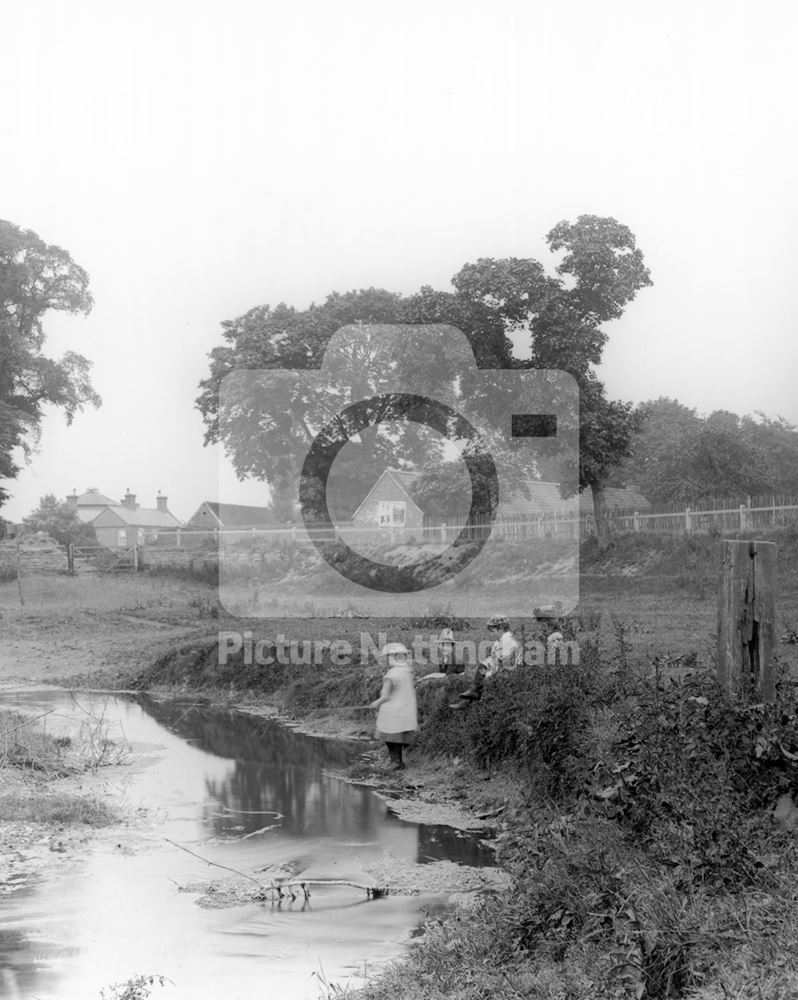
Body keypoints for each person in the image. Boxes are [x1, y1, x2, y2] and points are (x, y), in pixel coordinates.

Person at [450, 615, 520, 709]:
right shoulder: (498, 642)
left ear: (501, 629)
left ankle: (472, 696)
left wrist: (489, 673)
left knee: (486, 677)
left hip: (509, 671)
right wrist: (485, 665)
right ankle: (473, 690)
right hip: (499, 669)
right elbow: (494, 658)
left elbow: (503, 664)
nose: (491, 634)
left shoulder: (509, 643)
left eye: (493, 631)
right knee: (482, 667)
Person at [371, 642, 418, 770]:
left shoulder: (391, 675)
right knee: (397, 737)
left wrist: (376, 703)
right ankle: (398, 761)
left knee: (390, 738)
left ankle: (396, 762)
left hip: (392, 712)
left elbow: (385, 696)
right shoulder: (406, 671)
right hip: (405, 710)